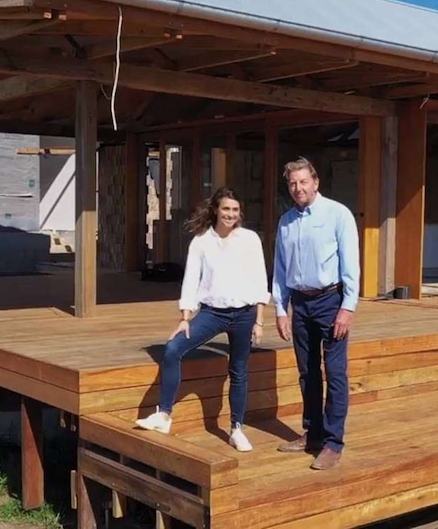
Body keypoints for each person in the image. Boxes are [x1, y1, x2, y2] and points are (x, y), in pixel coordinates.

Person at [136, 187, 270, 452]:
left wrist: (259, 320)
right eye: (226, 209)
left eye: (235, 210)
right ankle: (163, 415)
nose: (231, 214)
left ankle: (237, 429)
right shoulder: (201, 241)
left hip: (244, 316)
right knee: (173, 349)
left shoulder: (250, 239)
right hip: (212, 313)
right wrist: (185, 317)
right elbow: (190, 281)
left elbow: (259, 279)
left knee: (239, 370)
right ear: (216, 210)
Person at [272, 157, 360, 470]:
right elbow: (280, 271)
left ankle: (333, 443)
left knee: (335, 373)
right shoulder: (285, 222)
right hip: (300, 304)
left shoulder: (337, 214)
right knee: (307, 373)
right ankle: (313, 433)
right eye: (293, 183)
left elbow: (351, 265)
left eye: (303, 181)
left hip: (330, 302)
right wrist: (281, 310)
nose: (298, 188)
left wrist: (347, 308)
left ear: (316, 182)